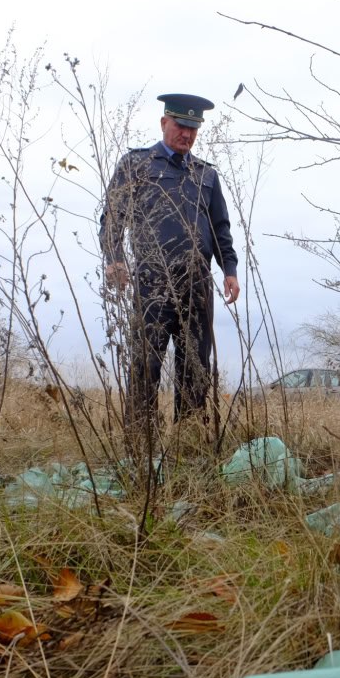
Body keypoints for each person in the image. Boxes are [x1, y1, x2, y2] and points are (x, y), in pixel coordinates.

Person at [100, 93, 240, 437]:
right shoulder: (136, 165)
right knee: (146, 365)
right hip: (151, 283)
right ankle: (140, 443)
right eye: (181, 126)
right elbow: (112, 218)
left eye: (194, 129)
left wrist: (230, 270)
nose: (187, 135)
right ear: (164, 123)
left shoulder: (206, 176)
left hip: (196, 285)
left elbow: (220, 227)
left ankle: (187, 442)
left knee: (195, 367)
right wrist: (115, 259)